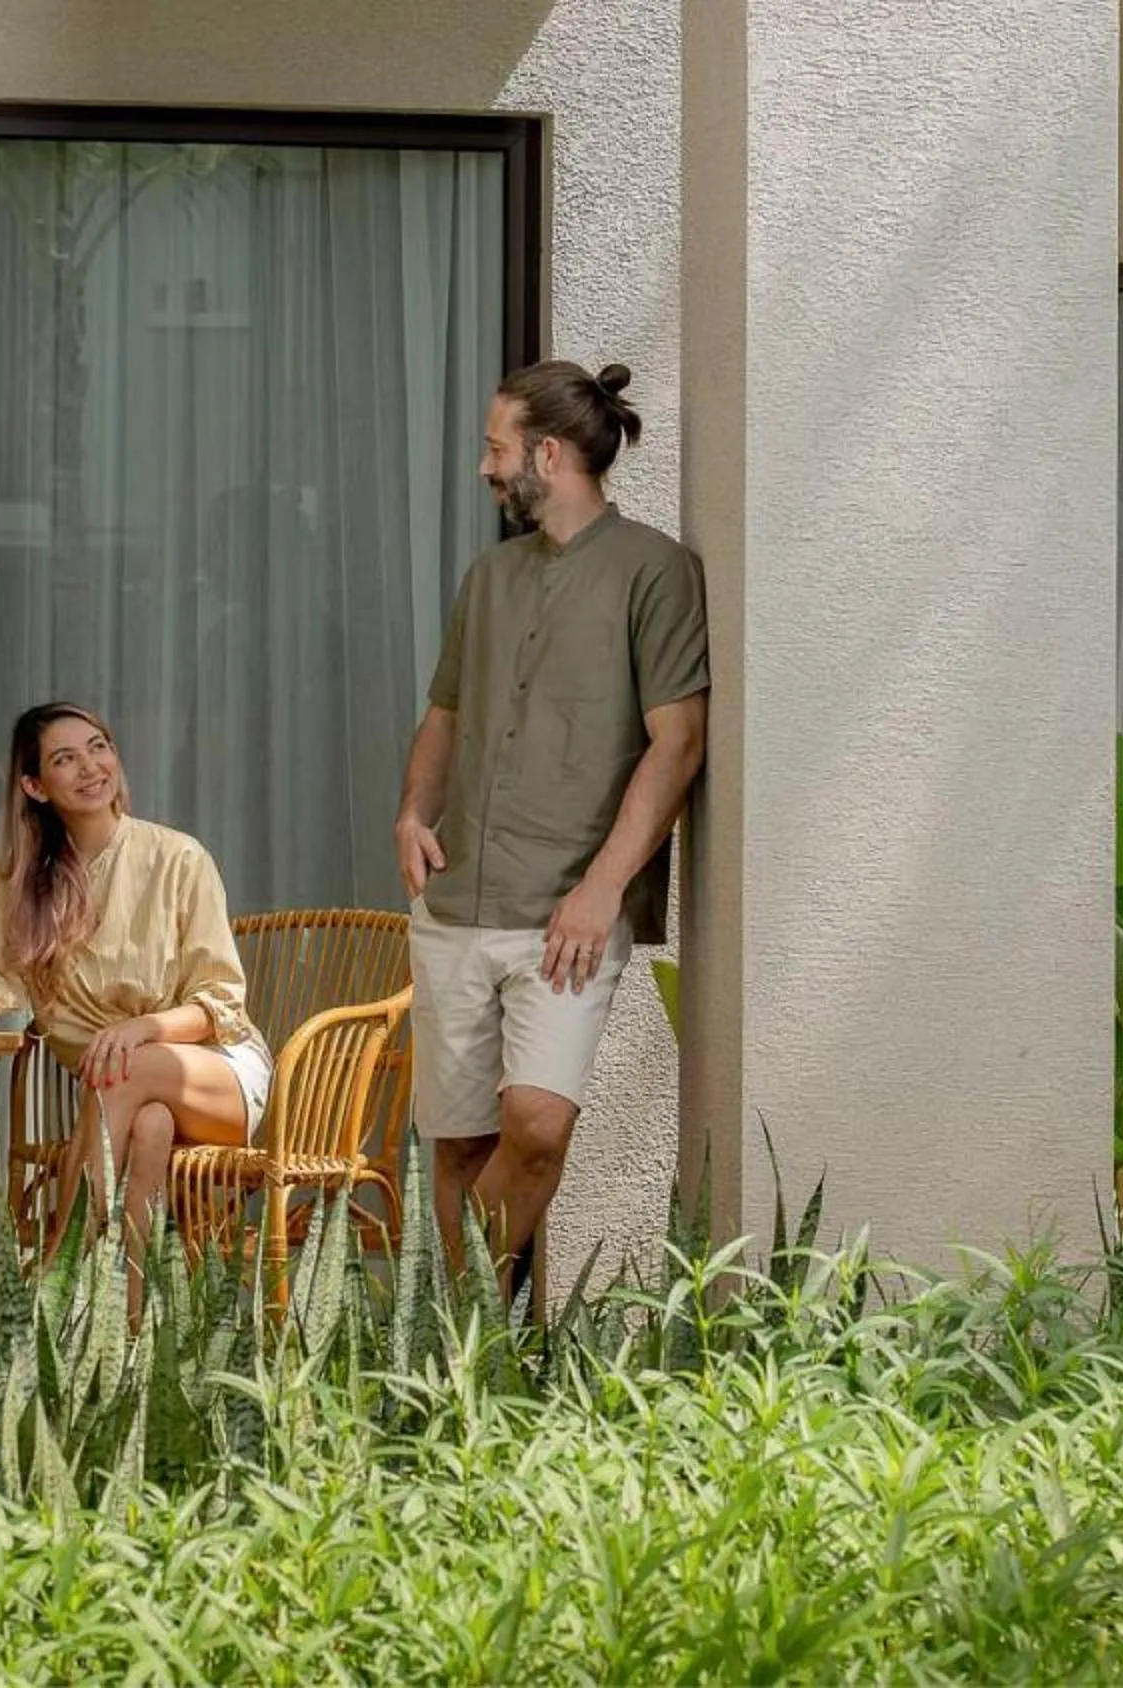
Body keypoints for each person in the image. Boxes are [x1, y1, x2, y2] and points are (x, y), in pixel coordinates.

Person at [394, 359, 710, 1301]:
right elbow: (444, 714)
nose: (486, 468)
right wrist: (413, 813)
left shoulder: (655, 571)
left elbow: (679, 742)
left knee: (535, 1124)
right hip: (456, 900)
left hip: (567, 908)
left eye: (496, 448)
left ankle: (435, 1324)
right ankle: (475, 1368)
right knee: (459, 1143)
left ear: (547, 452)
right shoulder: (488, 576)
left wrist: (604, 886)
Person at [0, 702, 270, 1310]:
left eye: (99, 747)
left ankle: (57, 1276)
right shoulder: (20, 885)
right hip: (125, 1094)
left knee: (126, 1068)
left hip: (217, 1073)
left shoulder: (178, 858)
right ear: (34, 786)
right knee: (149, 1127)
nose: (90, 766)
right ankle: (131, 1329)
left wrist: (139, 1030)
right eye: (65, 759)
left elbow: (220, 1006)